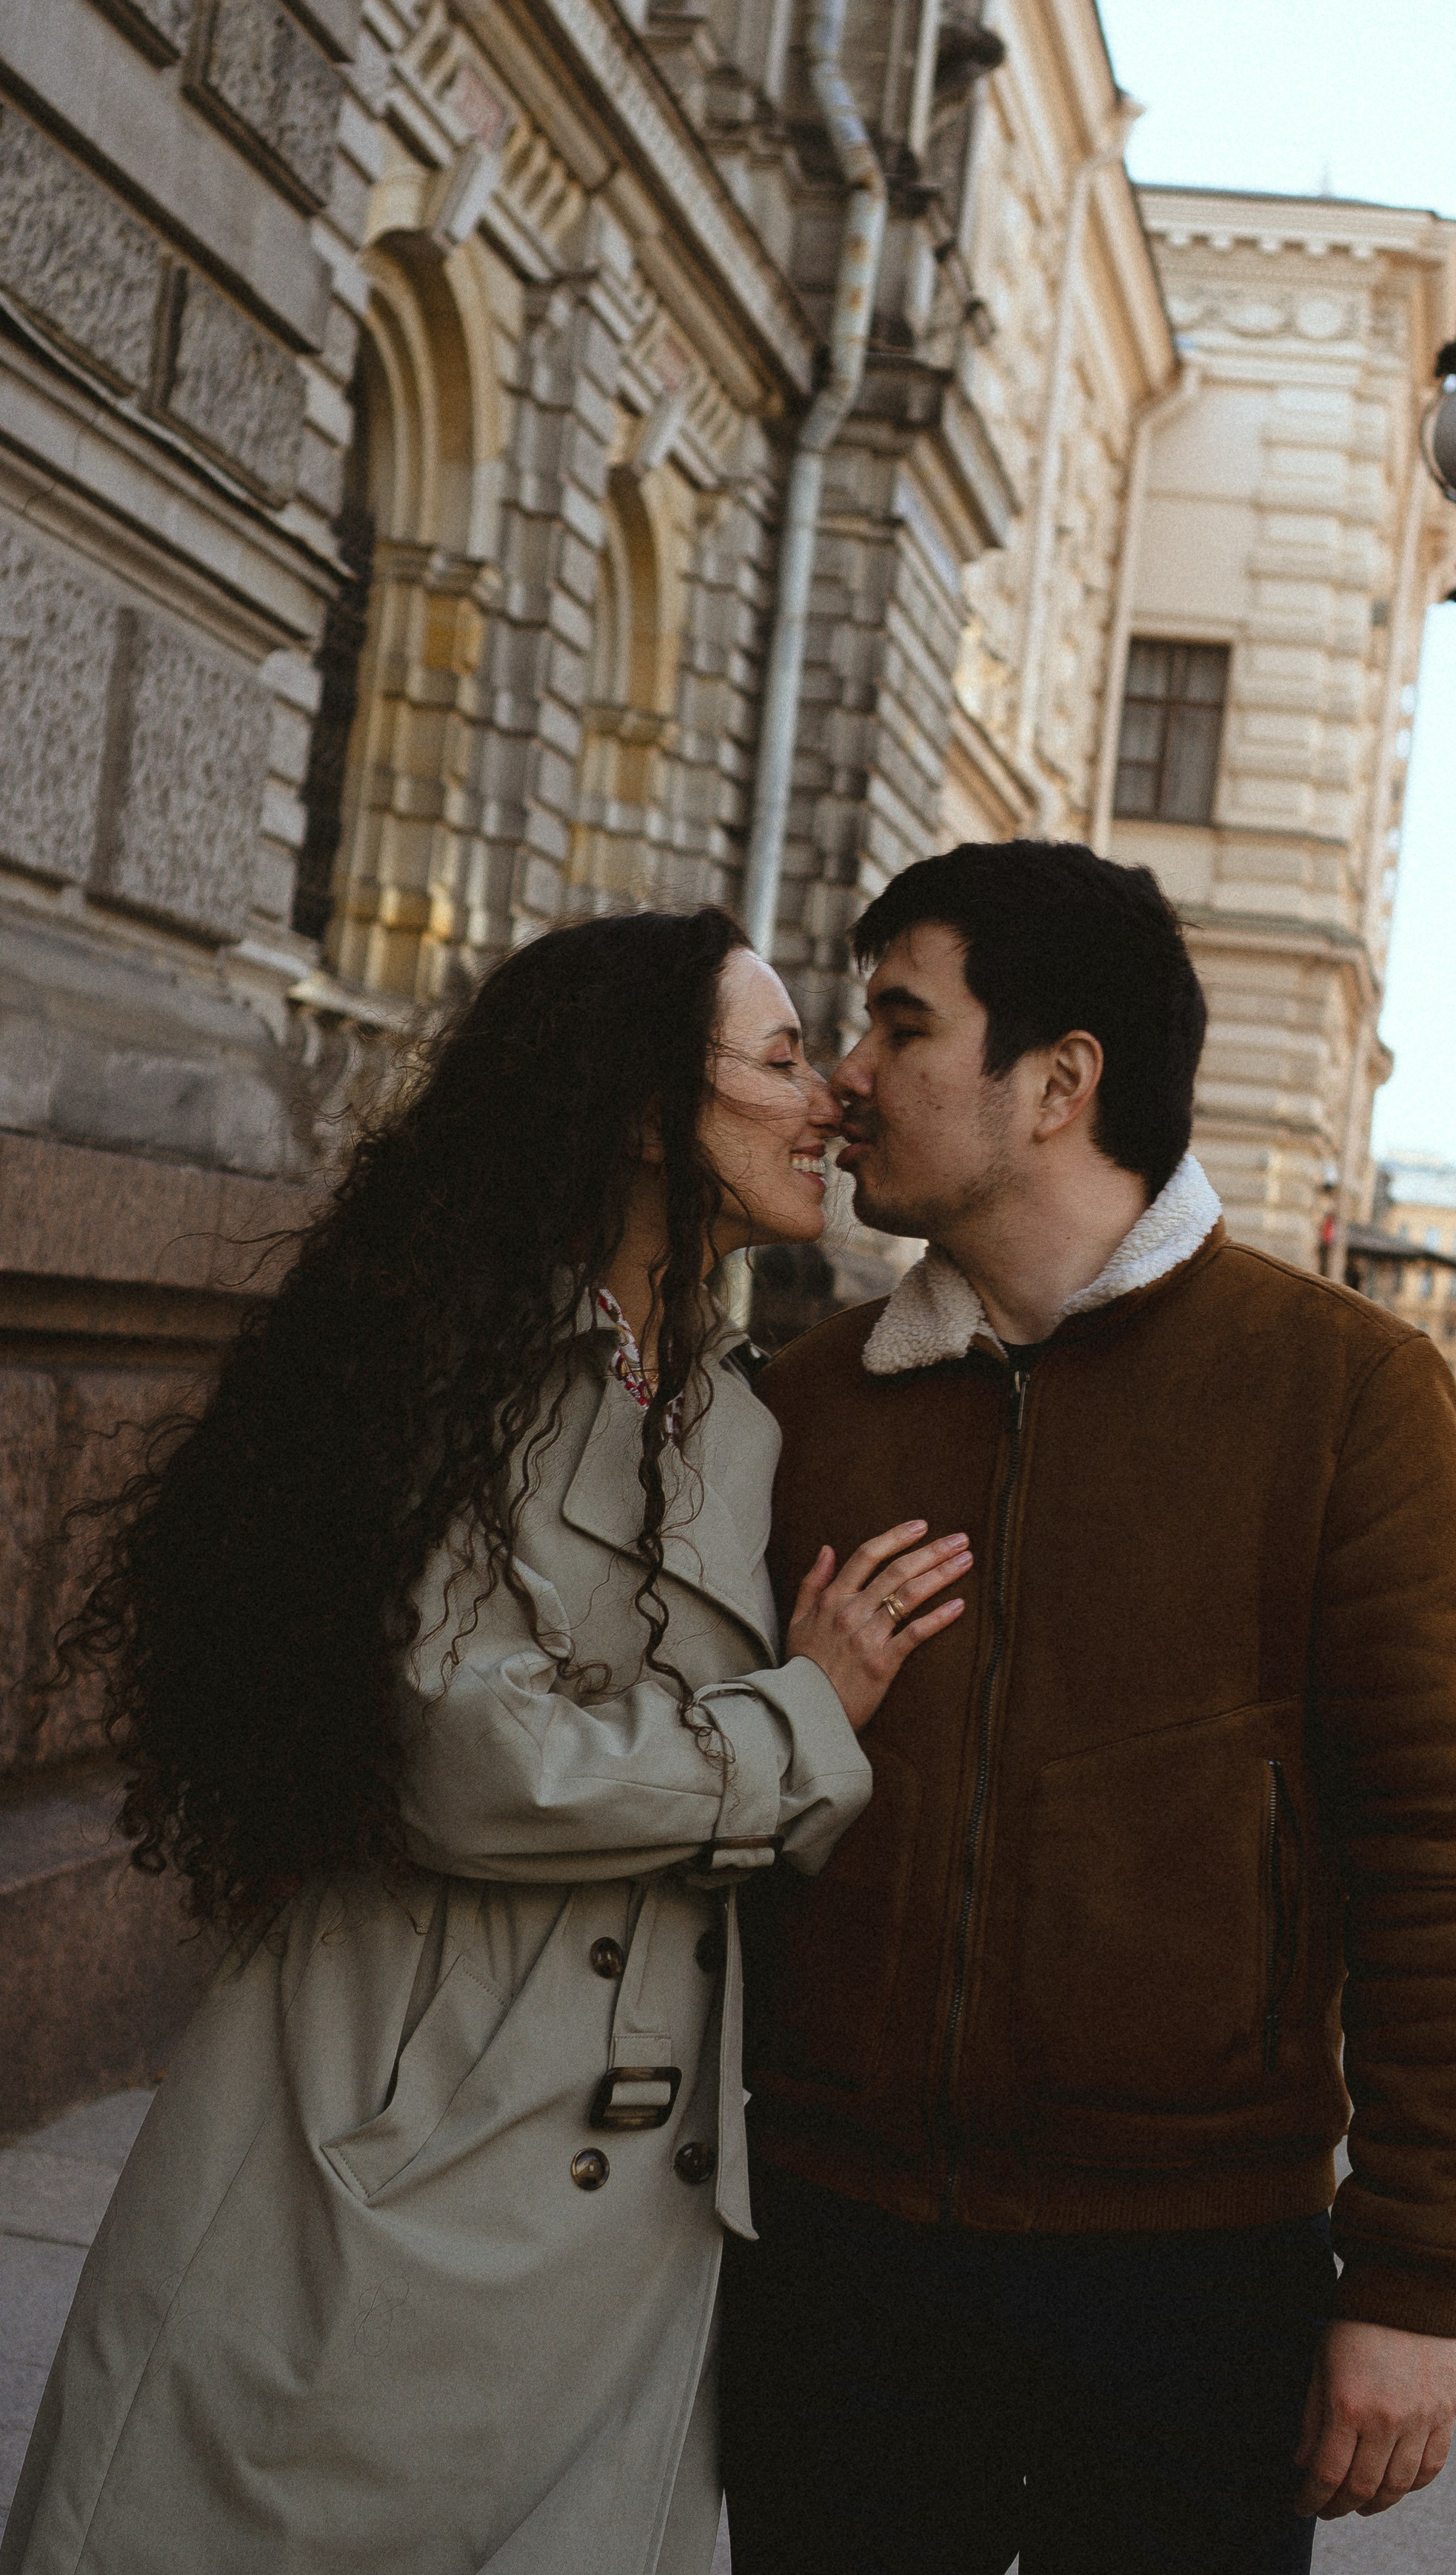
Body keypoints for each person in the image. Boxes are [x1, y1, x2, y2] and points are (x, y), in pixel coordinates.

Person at [1, 909, 969, 2575]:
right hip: (413, 2118)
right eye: (781, 1058)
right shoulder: (452, 1367)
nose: (828, 1102)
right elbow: (472, 1760)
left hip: (643, 2167)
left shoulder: (734, 1415)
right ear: (649, 1115)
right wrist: (798, 1732)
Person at [721, 841, 1456, 2575]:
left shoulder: (1343, 1394)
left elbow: (1437, 1860)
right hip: (835, 2248)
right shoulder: (801, 1407)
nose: (849, 1072)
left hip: (1188, 2275)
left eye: (900, 1019)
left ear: (1058, 1078)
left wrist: (1410, 2276)